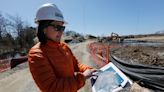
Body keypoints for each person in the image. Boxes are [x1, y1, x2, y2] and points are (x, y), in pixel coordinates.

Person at [28, 3, 96, 92]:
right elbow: (52, 88)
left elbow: (76, 65)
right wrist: (83, 77)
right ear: (43, 28)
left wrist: (88, 69)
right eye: (57, 27)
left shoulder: (63, 46)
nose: (60, 32)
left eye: (62, 28)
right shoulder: (37, 54)